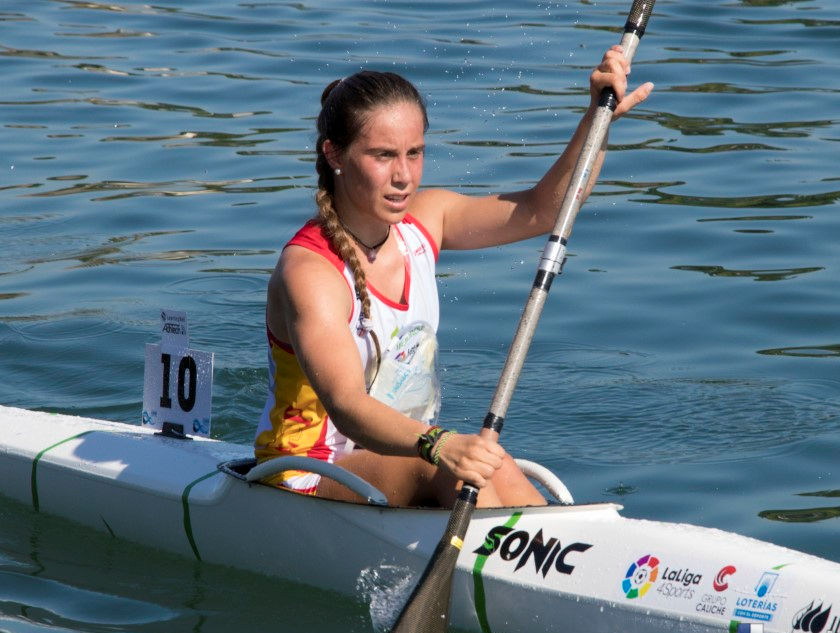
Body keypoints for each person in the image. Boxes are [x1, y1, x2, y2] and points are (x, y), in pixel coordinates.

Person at [255, 45, 652, 508]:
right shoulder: (311, 271)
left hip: (406, 456)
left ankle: (561, 543)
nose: (404, 176)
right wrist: (439, 444)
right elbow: (347, 405)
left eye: (415, 153)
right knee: (456, 469)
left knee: (494, 462)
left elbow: (546, 211)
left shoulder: (427, 220)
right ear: (334, 154)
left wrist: (597, 120)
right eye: (383, 155)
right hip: (305, 473)